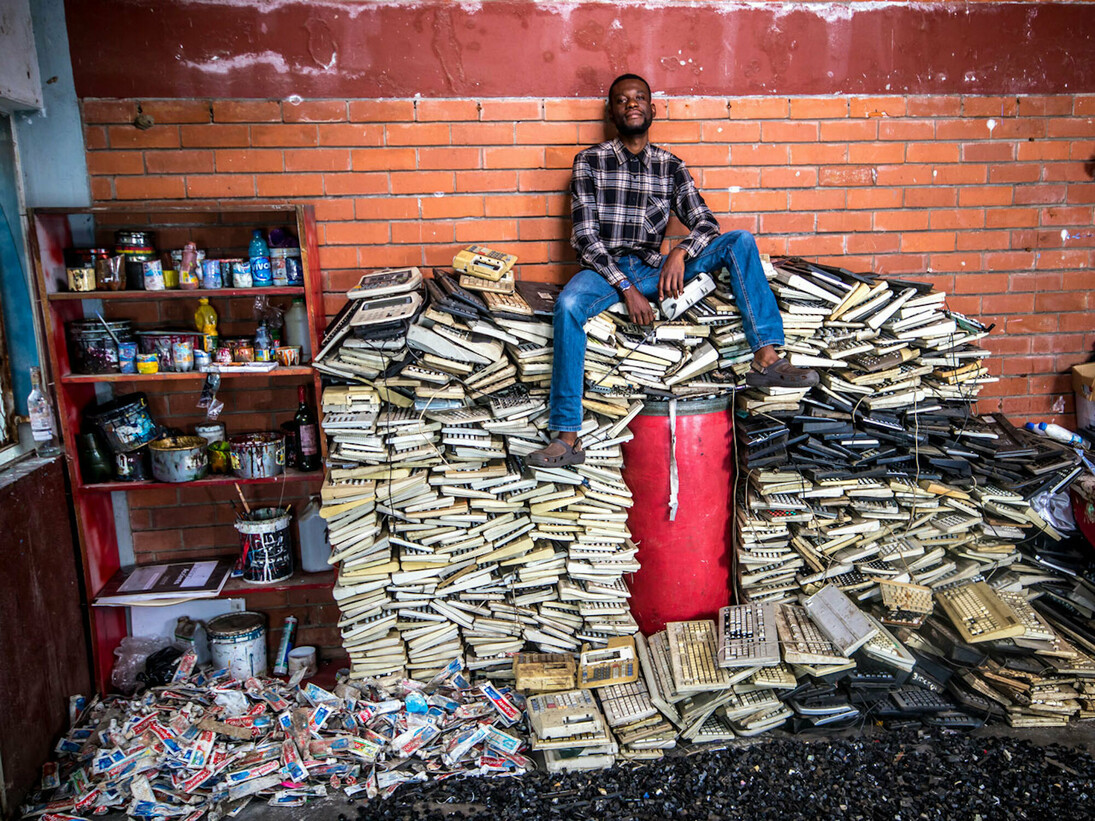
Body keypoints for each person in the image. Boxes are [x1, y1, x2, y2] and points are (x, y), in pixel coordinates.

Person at [528, 73, 818, 468]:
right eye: (622, 99)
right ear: (612, 111)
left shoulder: (671, 166)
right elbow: (585, 238)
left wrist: (680, 251)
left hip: (653, 268)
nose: (632, 104)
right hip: (604, 271)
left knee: (740, 240)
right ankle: (567, 437)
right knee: (568, 306)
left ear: (652, 109)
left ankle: (767, 358)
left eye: (640, 98)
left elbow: (705, 224)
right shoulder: (589, 162)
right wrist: (625, 288)